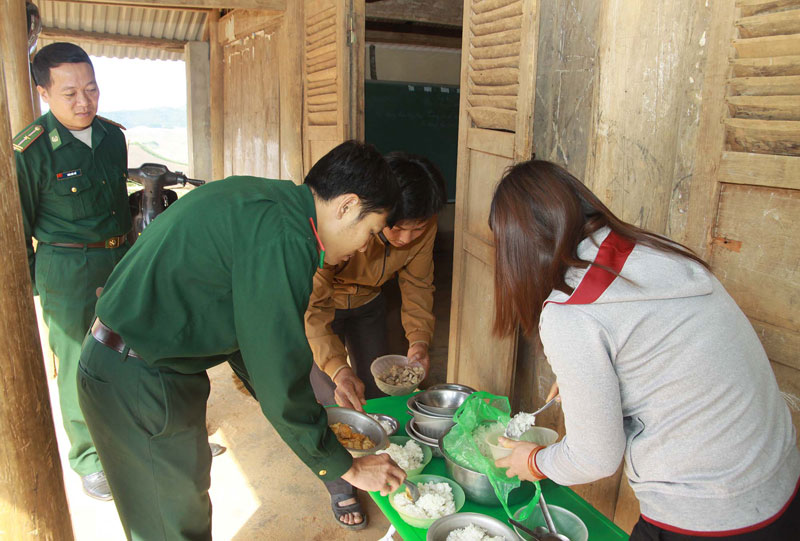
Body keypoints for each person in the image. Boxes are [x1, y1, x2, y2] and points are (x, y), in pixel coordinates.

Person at [77, 141, 408, 541]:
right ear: (347, 205)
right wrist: (345, 467)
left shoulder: (269, 202)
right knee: (170, 524)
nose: (364, 247)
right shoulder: (288, 238)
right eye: (370, 231)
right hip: (137, 377)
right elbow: (275, 367)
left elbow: (252, 341)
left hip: (152, 366)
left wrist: (301, 403)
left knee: (186, 502)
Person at [490, 160, 800, 540]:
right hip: (782, 480)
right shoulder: (651, 251)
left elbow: (595, 458)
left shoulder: (570, 315)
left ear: (516, 249)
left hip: (712, 510)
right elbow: (648, 346)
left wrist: (534, 461)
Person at [13, 42, 130, 500]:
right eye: (69, 93)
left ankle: (133, 435)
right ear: (44, 92)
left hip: (120, 259)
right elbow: (17, 227)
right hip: (66, 268)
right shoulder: (30, 150)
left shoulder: (111, 136)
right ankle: (89, 459)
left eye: (91, 89)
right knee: (77, 362)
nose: (84, 102)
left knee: (130, 351)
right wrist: (31, 291)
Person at [305, 152, 446, 529]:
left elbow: (418, 284)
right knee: (330, 397)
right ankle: (340, 484)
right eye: (396, 228)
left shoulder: (421, 227)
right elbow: (313, 308)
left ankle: (380, 466)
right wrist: (337, 368)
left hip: (368, 303)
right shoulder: (336, 230)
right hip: (322, 305)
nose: (407, 239)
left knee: (375, 393)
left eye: (418, 229)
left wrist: (418, 340)